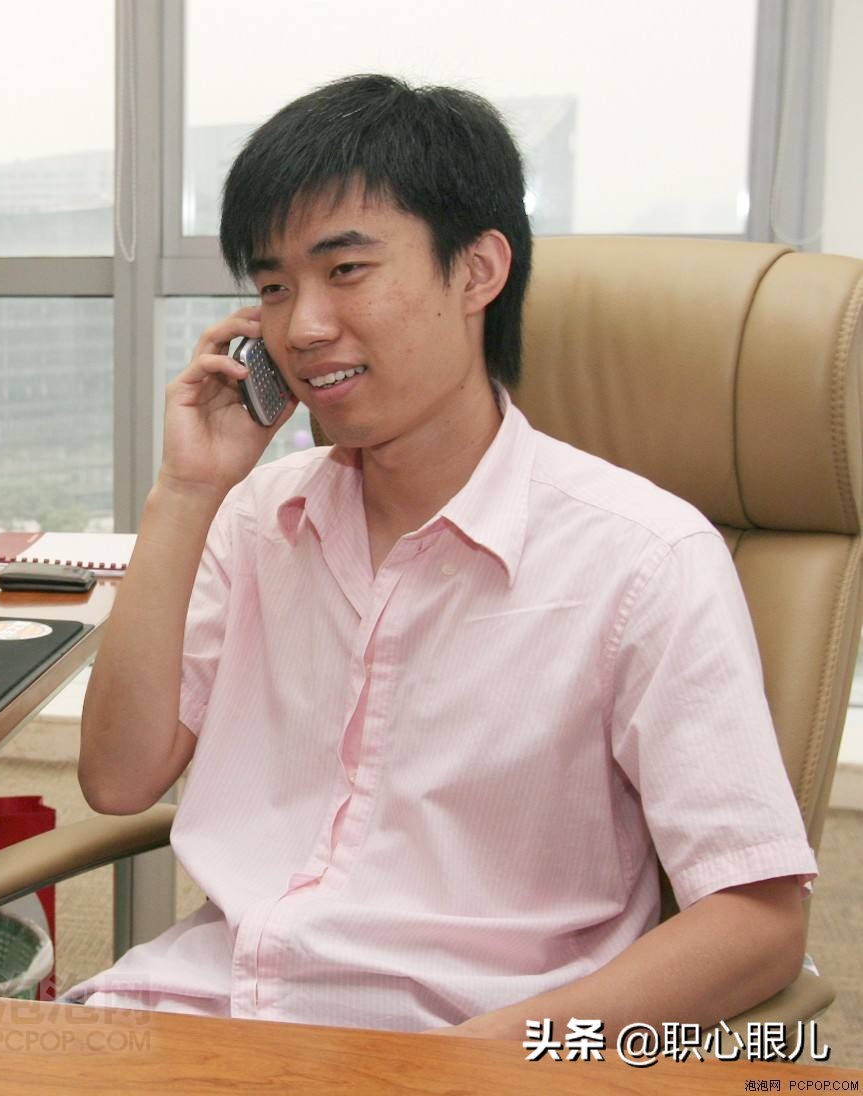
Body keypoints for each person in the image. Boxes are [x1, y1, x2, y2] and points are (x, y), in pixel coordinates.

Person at [70, 74, 816, 1038]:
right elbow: (117, 780)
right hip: (195, 1013)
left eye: (345, 270)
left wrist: (483, 1062)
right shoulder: (256, 518)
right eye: (273, 287)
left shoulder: (643, 560)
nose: (302, 328)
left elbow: (757, 924)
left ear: (476, 272)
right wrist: (184, 494)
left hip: (456, 1044)